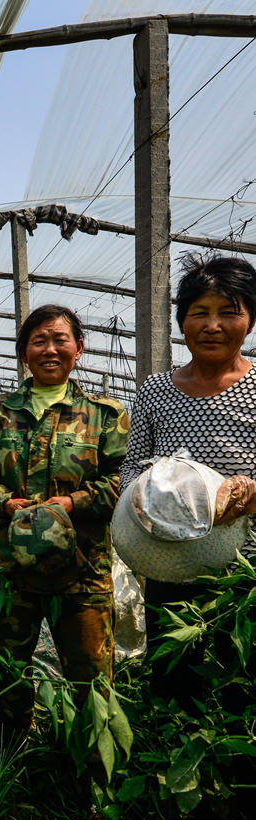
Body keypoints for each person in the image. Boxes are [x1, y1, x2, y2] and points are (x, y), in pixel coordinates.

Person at [0, 305, 128, 740]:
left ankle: (92, 776)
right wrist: (6, 503)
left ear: (79, 349)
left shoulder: (104, 414)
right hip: (8, 568)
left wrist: (73, 503)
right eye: (38, 341)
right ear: (23, 354)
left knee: (92, 677)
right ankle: (13, 755)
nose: (50, 349)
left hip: (82, 571)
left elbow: (122, 479)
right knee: (6, 669)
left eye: (59, 339)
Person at [122, 253, 256, 709]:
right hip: (172, 562)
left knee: (241, 691)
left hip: (248, 573)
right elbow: (133, 466)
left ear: (250, 321)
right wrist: (147, 497)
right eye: (199, 313)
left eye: (228, 312)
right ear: (182, 322)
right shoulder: (157, 391)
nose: (212, 325)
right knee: (176, 687)